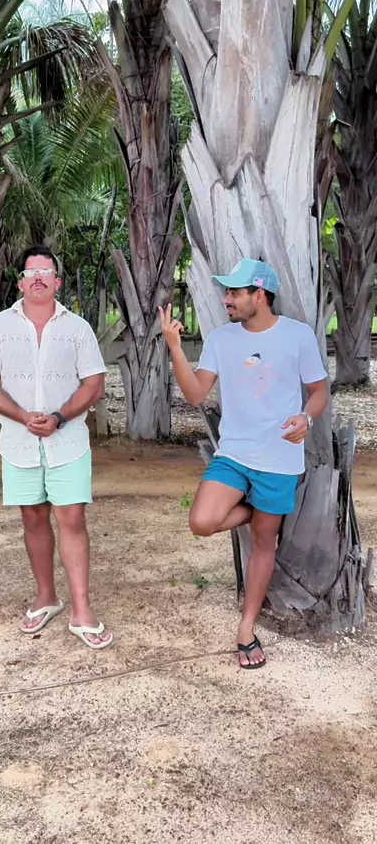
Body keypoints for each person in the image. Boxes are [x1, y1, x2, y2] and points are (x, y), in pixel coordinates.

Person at [160, 258, 328, 670]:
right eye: (227, 292)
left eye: (234, 292)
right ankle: (261, 510)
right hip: (234, 454)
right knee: (201, 521)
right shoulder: (221, 339)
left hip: (279, 458)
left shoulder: (298, 335)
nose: (226, 299)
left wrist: (306, 419)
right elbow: (196, 395)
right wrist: (175, 349)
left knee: (264, 543)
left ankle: (246, 627)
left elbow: (319, 391)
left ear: (260, 295)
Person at [0, 245, 112, 650]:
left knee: (72, 519)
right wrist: (22, 416)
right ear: (20, 282)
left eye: (45, 272)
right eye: (30, 272)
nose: (37, 278)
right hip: (18, 443)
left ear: (57, 282)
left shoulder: (77, 328)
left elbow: (94, 384)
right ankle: (46, 597)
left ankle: (82, 610)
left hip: (68, 442)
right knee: (33, 518)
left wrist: (59, 417)